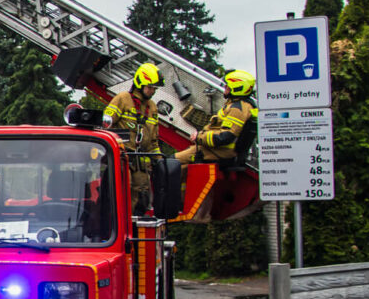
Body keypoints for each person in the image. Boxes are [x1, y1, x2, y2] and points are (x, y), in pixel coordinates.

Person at [103, 63, 162, 214]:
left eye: (155, 88)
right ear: (139, 84)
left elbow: (153, 141)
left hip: (141, 162)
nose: (152, 91)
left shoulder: (153, 108)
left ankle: (135, 229)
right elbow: (105, 125)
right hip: (122, 158)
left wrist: (158, 161)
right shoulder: (122, 99)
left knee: (142, 198)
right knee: (121, 193)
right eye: (150, 87)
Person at [176, 70, 258, 163]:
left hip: (219, 151)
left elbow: (225, 136)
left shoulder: (237, 109)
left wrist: (199, 137)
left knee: (169, 163)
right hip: (217, 150)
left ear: (237, 88)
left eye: (228, 85)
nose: (225, 87)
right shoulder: (239, 105)